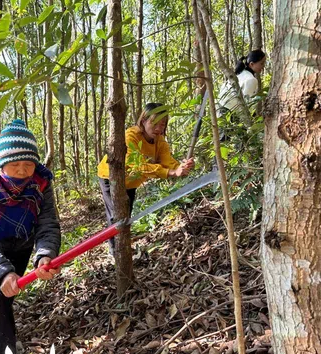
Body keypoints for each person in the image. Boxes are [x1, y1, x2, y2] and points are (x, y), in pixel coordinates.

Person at [0, 119, 61, 354]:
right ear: (1, 164)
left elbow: (47, 223)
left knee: (7, 293)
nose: (22, 170)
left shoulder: (41, 182)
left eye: (28, 164)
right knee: (0, 294)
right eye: (15, 164)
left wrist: (45, 254)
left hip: (23, 242)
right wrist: (1, 271)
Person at [97, 103, 195, 255]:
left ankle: (123, 247)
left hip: (130, 183)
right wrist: (171, 172)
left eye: (162, 125)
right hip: (110, 178)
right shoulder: (131, 136)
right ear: (143, 121)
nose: (159, 128)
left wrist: (181, 167)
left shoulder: (159, 140)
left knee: (126, 214)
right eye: (154, 123)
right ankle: (116, 252)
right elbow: (138, 166)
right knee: (116, 216)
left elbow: (167, 161)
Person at [217, 49, 266, 117]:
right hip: (230, 115)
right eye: (261, 63)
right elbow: (247, 104)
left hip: (219, 112)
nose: (263, 66)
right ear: (251, 64)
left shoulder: (239, 74)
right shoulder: (251, 79)